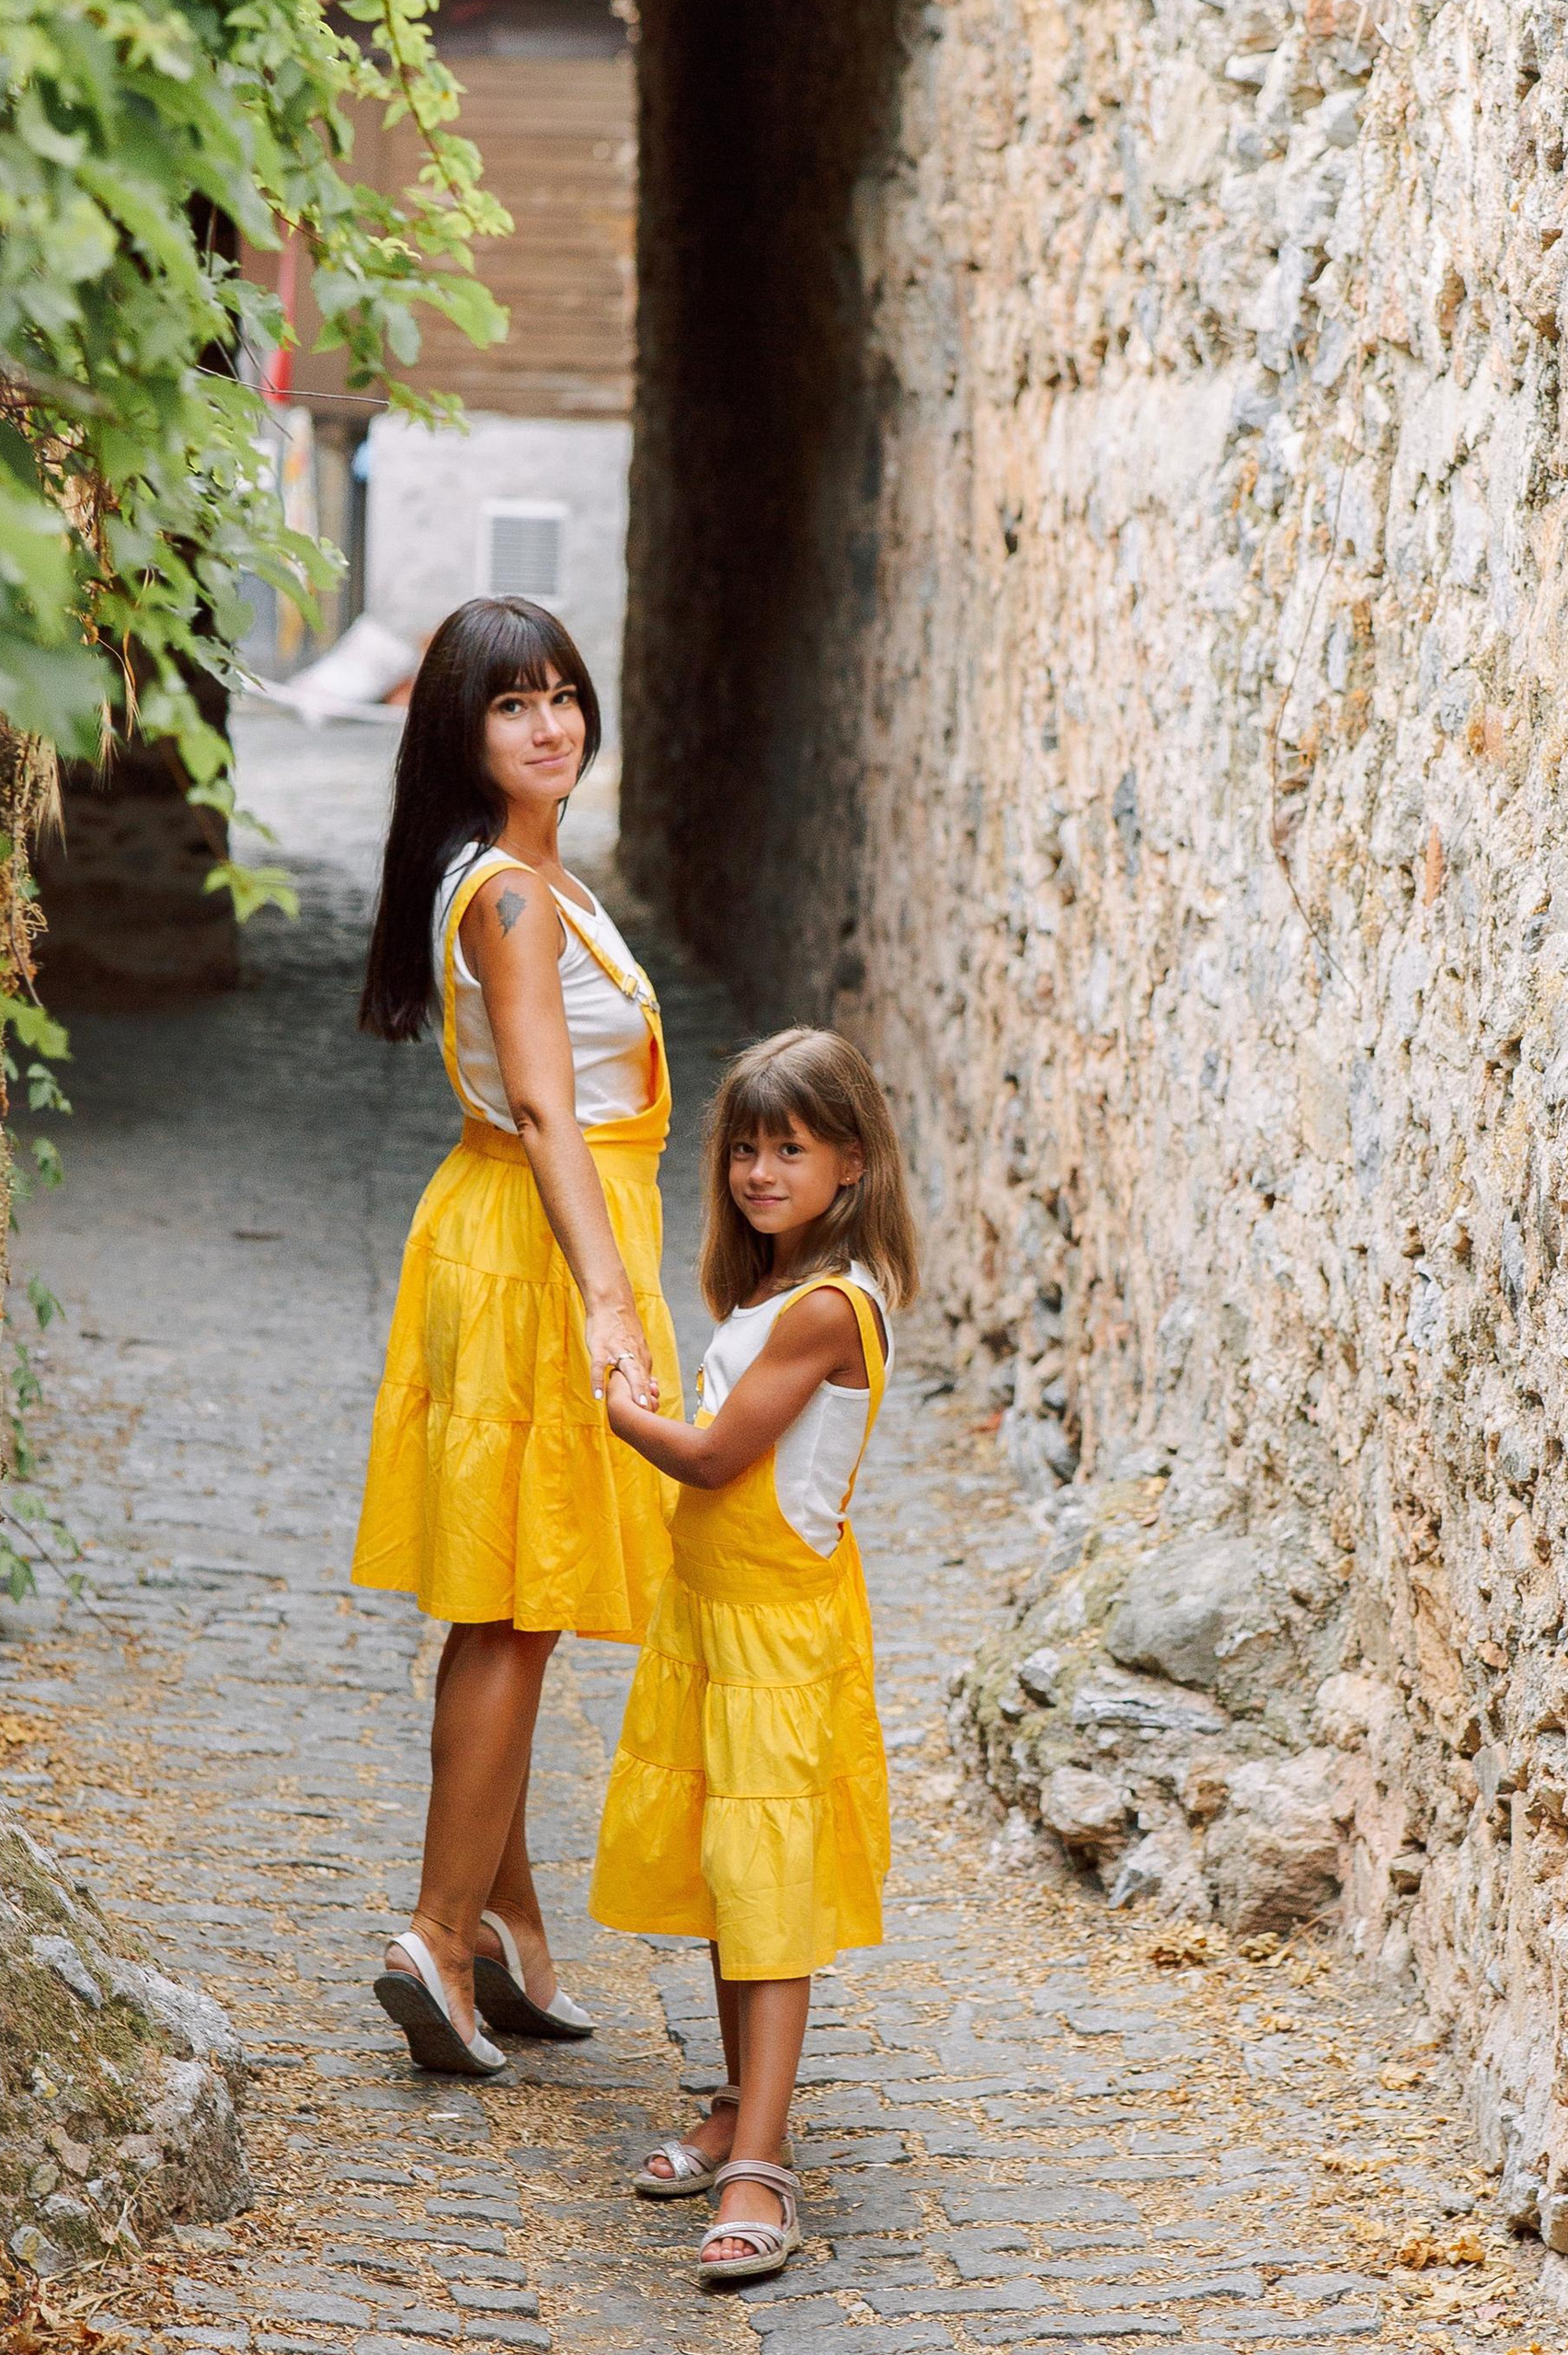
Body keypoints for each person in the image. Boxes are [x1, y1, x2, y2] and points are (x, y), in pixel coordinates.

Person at [351, 597, 680, 2074]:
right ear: (460, 735)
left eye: (565, 697)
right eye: (512, 707)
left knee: (510, 1594)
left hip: (524, 1232)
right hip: (546, 1247)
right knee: (514, 1601)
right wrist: (608, 1297)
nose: (553, 726)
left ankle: (496, 1928)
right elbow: (548, 1106)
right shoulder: (512, 898)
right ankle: (437, 1924)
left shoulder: (525, 879)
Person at [588, 1028, 919, 2284]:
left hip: (777, 1633)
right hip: (716, 1619)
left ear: (850, 1162)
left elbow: (720, 1459)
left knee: (768, 1897)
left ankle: (761, 2163)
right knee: (732, 1878)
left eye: (791, 1147)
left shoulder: (828, 1307)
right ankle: (736, 2101)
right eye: (744, 1145)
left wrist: (623, 1410)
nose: (759, 1170)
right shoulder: (776, 1292)